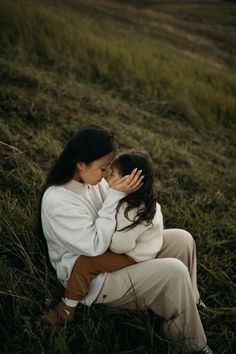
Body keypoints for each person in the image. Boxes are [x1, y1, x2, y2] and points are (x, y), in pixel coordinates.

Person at [39, 124, 213, 354]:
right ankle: (191, 345)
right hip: (91, 278)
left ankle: (190, 301)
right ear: (81, 164)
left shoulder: (92, 182)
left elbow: (119, 219)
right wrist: (114, 196)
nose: (106, 176)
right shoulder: (58, 201)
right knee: (173, 270)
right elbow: (94, 246)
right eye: (103, 168)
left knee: (182, 239)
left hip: (114, 254)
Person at [43, 150, 164, 326]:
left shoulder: (133, 211)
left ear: (131, 181)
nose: (108, 178)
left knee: (85, 264)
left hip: (133, 255)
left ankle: (66, 309)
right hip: (138, 247)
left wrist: (114, 199)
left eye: (113, 174)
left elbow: (119, 247)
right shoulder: (134, 200)